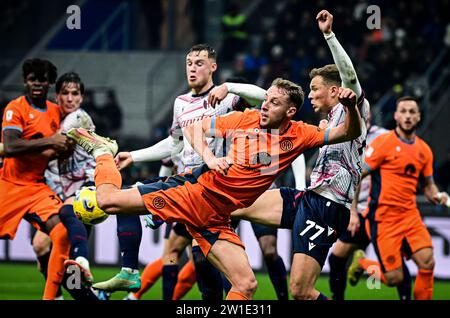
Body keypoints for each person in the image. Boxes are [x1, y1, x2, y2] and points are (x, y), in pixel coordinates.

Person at [67, 73, 361, 300]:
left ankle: (130, 272)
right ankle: (102, 151)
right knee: (106, 201)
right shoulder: (245, 118)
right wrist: (210, 157)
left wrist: (351, 107)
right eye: (266, 98)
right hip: (191, 193)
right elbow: (193, 128)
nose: (265, 105)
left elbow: (350, 131)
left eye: (274, 102)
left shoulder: (301, 134)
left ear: (291, 112)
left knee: (245, 285)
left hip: (217, 217)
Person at [93, 44, 265, 300]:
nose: (193, 68)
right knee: (198, 258)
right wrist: (135, 155)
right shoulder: (180, 103)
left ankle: (130, 269)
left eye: (199, 63)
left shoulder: (228, 100)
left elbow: (265, 98)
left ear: (213, 67)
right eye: (189, 63)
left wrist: (230, 86)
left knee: (200, 257)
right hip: (188, 187)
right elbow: (175, 143)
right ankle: (132, 270)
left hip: (215, 187)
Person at [228, 9, 369, 300]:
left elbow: (350, 76)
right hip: (309, 197)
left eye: (315, 89)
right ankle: (229, 282)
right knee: (231, 204)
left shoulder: (352, 108)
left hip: (328, 208)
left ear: (334, 90)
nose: (311, 93)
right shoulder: (329, 122)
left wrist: (328, 34)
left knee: (302, 292)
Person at [346, 96, 449, 300]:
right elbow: (357, 176)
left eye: (412, 112)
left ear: (419, 117)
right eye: (403, 111)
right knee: (394, 278)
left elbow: (428, 186)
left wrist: (438, 196)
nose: (408, 116)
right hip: (383, 219)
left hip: (410, 216)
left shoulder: (424, 151)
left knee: (427, 262)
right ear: (396, 116)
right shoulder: (384, 143)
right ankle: (363, 263)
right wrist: (353, 211)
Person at [0, 58, 72, 300]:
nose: (37, 84)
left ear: (49, 82)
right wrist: (51, 141)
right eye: (32, 79)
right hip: (8, 185)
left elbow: (62, 146)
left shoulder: (55, 112)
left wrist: (66, 147)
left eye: (42, 79)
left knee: (62, 231)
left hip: (36, 187)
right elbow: (10, 146)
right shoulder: (15, 107)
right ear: (25, 82)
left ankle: (53, 295)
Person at [32, 71, 108, 300]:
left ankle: (82, 259)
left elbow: (52, 146)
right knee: (41, 249)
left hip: (85, 189)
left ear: (82, 98)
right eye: (65, 93)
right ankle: (86, 294)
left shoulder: (78, 118)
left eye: (75, 94)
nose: (70, 98)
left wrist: (14, 150)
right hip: (61, 193)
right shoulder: (53, 119)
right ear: (57, 96)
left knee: (69, 268)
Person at [327, 111, 413, 300]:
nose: (362, 117)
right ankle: (337, 296)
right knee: (336, 257)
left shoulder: (384, 137)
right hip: (357, 209)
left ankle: (403, 295)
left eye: (364, 113)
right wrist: (351, 210)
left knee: (396, 263)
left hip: (381, 210)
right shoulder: (343, 135)